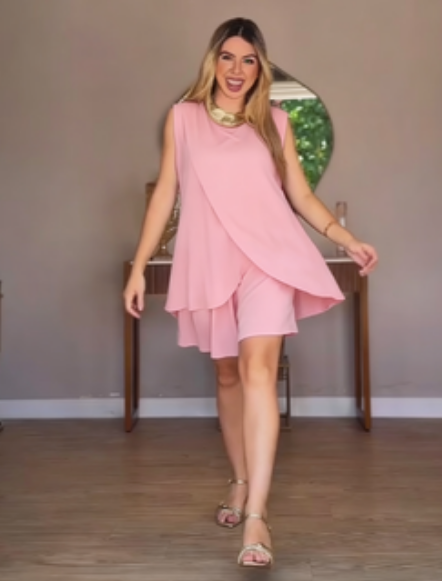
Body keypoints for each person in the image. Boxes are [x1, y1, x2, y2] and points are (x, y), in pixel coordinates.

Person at [123, 17, 378, 568]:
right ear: (212, 61)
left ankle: (258, 515)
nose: (237, 70)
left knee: (258, 370)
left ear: (260, 68)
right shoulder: (183, 118)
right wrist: (139, 267)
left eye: (249, 60)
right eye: (228, 57)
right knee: (227, 375)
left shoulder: (274, 122)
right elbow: (166, 193)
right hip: (210, 261)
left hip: (269, 260)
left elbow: (301, 196)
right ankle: (238, 481)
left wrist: (346, 239)